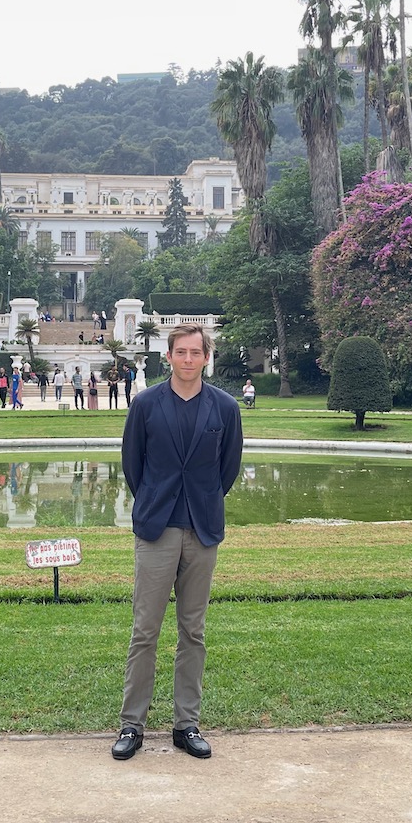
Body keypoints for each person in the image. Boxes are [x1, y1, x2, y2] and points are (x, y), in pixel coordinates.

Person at [112, 324, 243, 762]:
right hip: (157, 529)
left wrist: (200, 502)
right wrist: (156, 501)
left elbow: (227, 470)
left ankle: (186, 724)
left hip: (202, 530)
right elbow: (133, 465)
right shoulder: (146, 404)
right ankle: (132, 725)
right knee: (145, 630)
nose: (188, 360)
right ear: (168, 356)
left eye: (195, 353)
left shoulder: (225, 408)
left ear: (207, 357)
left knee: (194, 630)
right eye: (180, 352)